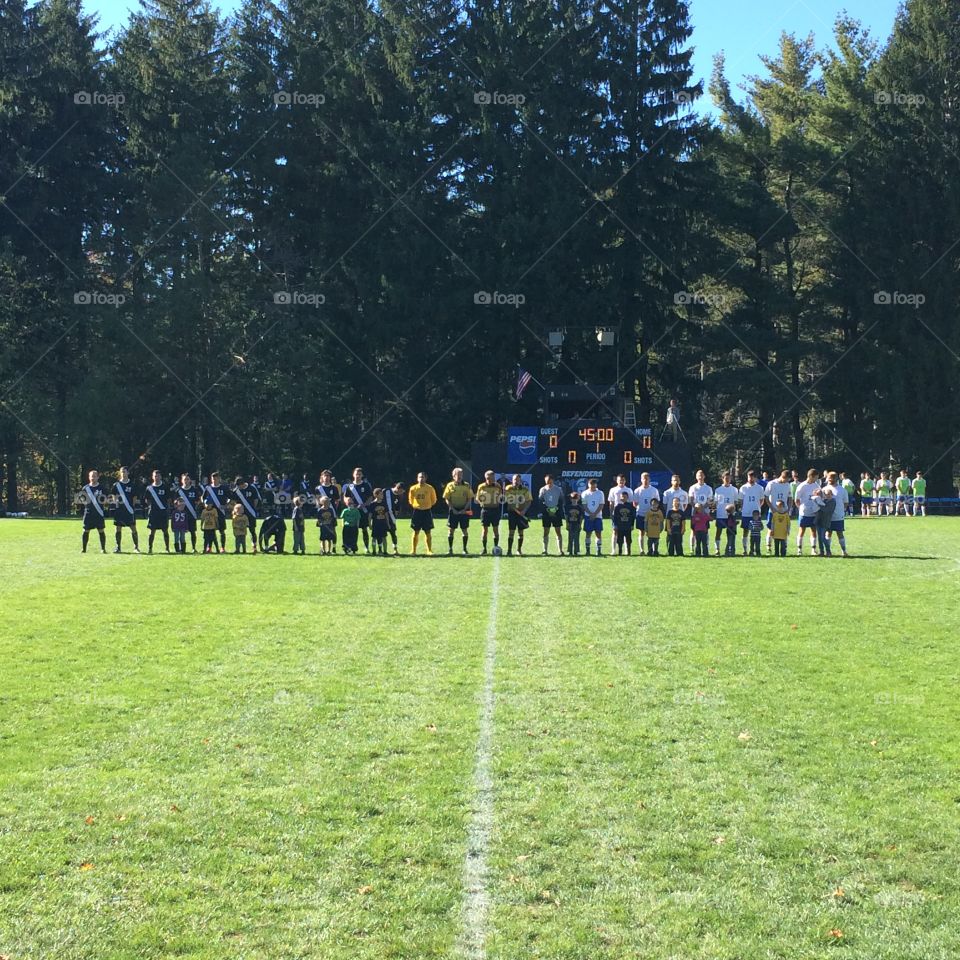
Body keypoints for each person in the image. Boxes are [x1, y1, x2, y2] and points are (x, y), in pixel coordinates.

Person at [343, 467, 375, 553]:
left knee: (364, 529)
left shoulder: (366, 485)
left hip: (363, 511)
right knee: (353, 530)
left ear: (362, 475)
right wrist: (348, 503)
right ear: (353, 475)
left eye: (359, 474)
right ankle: (353, 547)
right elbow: (345, 497)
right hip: (353, 511)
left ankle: (366, 547)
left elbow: (370, 497)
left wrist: (364, 504)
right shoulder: (350, 486)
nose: (358, 476)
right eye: (356, 474)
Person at [443, 467, 474, 555]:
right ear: (453, 476)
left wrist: (464, 509)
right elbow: (447, 499)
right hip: (453, 511)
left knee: (464, 530)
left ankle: (464, 549)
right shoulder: (450, 485)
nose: (460, 477)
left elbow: (469, 499)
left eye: (461, 475)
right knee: (451, 530)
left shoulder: (467, 485)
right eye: (458, 475)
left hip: (464, 511)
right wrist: (453, 509)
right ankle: (450, 549)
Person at [820, 472, 850, 557]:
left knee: (839, 533)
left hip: (838, 516)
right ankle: (828, 551)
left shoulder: (842, 490)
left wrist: (841, 511)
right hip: (828, 517)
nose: (828, 480)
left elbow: (845, 503)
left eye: (830, 479)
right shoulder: (824, 489)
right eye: (828, 479)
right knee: (828, 533)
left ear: (835, 479)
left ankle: (844, 551)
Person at [408, 471, 438, 555]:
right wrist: (416, 506)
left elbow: (434, 500)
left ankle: (429, 550)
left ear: (426, 478)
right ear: (417, 478)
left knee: (428, 531)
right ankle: (413, 550)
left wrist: (426, 506)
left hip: (427, 511)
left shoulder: (430, 488)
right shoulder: (413, 488)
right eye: (419, 477)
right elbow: (410, 500)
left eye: (423, 477)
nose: (421, 479)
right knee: (415, 531)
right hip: (417, 512)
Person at [111, 466, 140, 553]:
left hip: (129, 510)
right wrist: (117, 504)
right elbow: (114, 496)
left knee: (133, 528)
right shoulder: (116, 485)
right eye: (122, 472)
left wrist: (131, 506)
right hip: (119, 511)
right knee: (118, 528)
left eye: (125, 471)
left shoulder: (132, 485)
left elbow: (135, 497)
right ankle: (118, 547)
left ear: (128, 473)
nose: (123, 473)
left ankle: (136, 547)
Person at [738, 470, 766, 556]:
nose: (750, 478)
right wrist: (744, 508)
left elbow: (762, 500)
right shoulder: (743, 488)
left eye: (752, 477)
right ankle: (745, 549)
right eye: (749, 476)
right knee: (745, 531)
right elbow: (740, 500)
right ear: (747, 477)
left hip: (756, 514)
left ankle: (756, 550)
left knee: (756, 533)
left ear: (755, 477)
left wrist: (757, 508)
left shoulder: (760, 488)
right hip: (746, 513)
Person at [764, 469, 793, 554]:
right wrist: (772, 508)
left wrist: (788, 509)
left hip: (784, 511)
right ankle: (768, 547)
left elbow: (790, 497)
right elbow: (766, 497)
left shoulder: (787, 485)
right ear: (783, 477)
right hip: (773, 511)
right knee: (771, 529)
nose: (787, 482)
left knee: (783, 529)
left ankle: (784, 547)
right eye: (787, 479)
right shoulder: (771, 484)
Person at [795, 468, 823, 555]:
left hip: (814, 512)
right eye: (815, 477)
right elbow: (796, 499)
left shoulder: (816, 485)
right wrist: (800, 508)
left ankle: (813, 550)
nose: (816, 479)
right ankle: (799, 550)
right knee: (802, 530)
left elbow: (820, 497)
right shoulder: (802, 486)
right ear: (810, 476)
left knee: (814, 530)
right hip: (804, 512)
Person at [79, 469, 108, 553]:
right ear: (89, 477)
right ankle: (84, 549)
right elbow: (81, 499)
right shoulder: (85, 488)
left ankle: (103, 549)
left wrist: (103, 502)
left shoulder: (102, 488)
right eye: (91, 476)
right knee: (86, 530)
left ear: (98, 477)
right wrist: (87, 504)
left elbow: (106, 499)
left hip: (99, 513)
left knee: (101, 530)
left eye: (94, 476)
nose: (92, 478)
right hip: (88, 513)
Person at [503, 474, 532, 556]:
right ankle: (509, 551)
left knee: (521, 532)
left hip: (522, 513)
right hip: (512, 513)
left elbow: (529, 501)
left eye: (518, 480)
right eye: (515, 480)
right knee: (511, 532)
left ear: (520, 481)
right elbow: (508, 501)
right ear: (512, 480)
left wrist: (524, 511)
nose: (516, 481)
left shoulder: (525, 489)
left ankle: (519, 550)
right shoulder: (508, 488)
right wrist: (516, 511)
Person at [144, 469, 171, 554]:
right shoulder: (149, 488)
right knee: (152, 531)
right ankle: (150, 548)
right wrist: (151, 507)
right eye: (155, 476)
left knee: (165, 530)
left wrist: (166, 508)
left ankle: (167, 548)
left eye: (158, 476)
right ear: (152, 477)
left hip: (163, 513)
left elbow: (169, 499)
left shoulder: (165, 487)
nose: (157, 477)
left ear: (161, 477)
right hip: (153, 513)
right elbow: (147, 499)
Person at [475, 470, 502, 555]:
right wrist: (481, 503)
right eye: (489, 478)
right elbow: (477, 498)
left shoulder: (498, 486)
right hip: (485, 510)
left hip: (495, 510)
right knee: (485, 530)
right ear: (486, 478)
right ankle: (484, 549)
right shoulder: (481, 486)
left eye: (493, 477)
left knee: (495, 529)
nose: (491, 479)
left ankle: (496, 547)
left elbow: (500, 497)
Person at [201, 471, 230, 553]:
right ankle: (209, 547)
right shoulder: (208, 488)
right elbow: (202, 498)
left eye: (216, 478)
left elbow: (230, 498)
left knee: (222, 530)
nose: (214, 480)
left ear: (219, 479)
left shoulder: (224, 488)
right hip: (210, 513)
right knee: (211, 531)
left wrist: (226, 505)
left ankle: (222, 547)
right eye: (213, 479)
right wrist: (205, 505)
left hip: (220, 512)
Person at [231, 477, 260, 554]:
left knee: (252, 530)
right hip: (240, 514)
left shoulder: (252, 488)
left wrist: (253, 508)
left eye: (239, 485)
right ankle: (239, 548)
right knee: (239, 531)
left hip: (250, 513)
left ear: (242, 484)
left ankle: (254, 546)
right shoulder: (236, 491)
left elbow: (256, 500)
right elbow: (234, 502)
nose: (238, 487)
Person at [712, 471, 739, 556]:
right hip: (720, 515)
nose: (727, 480)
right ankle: (717, 549)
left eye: (729, 478)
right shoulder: (718, 490)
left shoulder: (734, 490)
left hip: (730, 516)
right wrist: (712, 509)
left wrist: (733, 512)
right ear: (722, 479)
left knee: (730, 533)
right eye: (726, 478)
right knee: (718, 532)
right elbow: (715, 503)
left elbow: (735, 502)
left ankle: (729, 549)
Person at [632, 472, 659, 554]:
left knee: (651, 533)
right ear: (641, 479)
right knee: (641, 532)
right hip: (640, 514)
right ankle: (642, 550)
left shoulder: (654, 490)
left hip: (651, 515)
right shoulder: (637, 491)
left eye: (647, 478)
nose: (645, 480)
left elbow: (657, 502)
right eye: (644, 478)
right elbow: (634, 503)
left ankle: (652, 550)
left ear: (649, 479)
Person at [687, 469, 713, 552]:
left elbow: (710, 501)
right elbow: (690, 500)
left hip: (705, 514)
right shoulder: (692, 487)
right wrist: (697, 509)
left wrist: (702, 508)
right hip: (695, 514)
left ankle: (706, 547)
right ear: (696, 477)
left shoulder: (708, 488)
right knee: (693, 531)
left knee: (706, 531)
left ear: (704, 476)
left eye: (702, 475)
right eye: (699, 475)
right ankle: (692, 548)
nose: (700, 477)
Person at [607, 474, 633, 553]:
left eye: (623, 480)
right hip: (616, 515)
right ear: (617, 481)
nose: (621, 481)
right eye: (619, 480)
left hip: (626, 515)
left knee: (626, 531)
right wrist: (611, 514)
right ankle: (614, 550)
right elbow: (611, 502)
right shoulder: (613, 490)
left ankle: (626, 550)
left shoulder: (629, 490)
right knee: (615, 531)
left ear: (625, 481)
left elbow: (631, 503)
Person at [539, 474, 565, 555]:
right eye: (546, 482)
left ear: (552, 480)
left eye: (549, 482)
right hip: (546, 513)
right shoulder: (542, 489)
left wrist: (555, 510)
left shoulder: (558, 489)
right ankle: (545, 550)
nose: (548, 483)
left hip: (556, 513)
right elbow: (540, 501)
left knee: (558, 532)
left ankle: (560, 550)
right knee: (546, 532)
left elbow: (561, 501)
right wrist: (547, 510)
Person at [176, 473, 202, 553]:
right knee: (181, 533)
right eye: (184, 479)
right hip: (182, 515)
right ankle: (182, 549)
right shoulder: (179, 491)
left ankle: (194, 548)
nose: (186, 481)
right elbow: (175, 502)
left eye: (187, 479)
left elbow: (198, 501)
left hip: (191, 514)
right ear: (182, 480)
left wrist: (197, 506)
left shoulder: (194, 490)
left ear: (190, 480)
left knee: (192, 532)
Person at [581, 477, 606, 556]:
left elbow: (601, 504)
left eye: (594, 484)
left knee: (598, 533)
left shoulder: (600, 493)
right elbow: (584, 505)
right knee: (588, 533)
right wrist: (590, 513)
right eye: (591, 484)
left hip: (598, 516)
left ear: (596, 484)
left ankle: (598, 551)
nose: (592, 486)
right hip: (588, 516)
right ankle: (587, 551)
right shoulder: (584, 493)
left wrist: (595, 514)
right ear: (588, 484)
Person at [384, 481, 405, 554]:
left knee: (393, 533)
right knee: (381, 534)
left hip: (391, 518)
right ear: (398, 488)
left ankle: (395, 549)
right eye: (401, 491)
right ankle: (382, 550)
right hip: (382, 517)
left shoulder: (399, 496)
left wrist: (396, 512)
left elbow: (397, 508)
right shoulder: (386, 491)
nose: (402, 493)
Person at [612, 491, 636, 555]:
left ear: (627, 497)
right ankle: (620, 551)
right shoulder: (617, 507)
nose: (623, 498)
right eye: (622, 497)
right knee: (620, 539)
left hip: (627, 525)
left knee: (628, 539)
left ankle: (629, 551)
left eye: (625, 497)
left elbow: (632, 516)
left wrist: (632, 525)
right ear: (620, 498)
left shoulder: (630, 507)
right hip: (620, 525)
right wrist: (615, 525)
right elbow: (615, 517)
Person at [370, 489, 391, 555]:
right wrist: (369, 524)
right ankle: (374, 551)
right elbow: (370, 515)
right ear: (376, 495)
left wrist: (388, 524)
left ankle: (385, 551)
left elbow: (386, 514)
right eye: (381, 494)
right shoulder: (372, 504)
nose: (382, 495)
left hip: (383, 523)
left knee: (384, 537)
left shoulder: (384, 503)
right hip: (375, 523)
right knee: (374, 537)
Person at [564, 490, 583, 556]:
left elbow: (581, 517)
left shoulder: (580, 507)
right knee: (570, 538)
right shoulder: (568, 507)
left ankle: (576, 551)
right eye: (572, 498)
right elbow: (566, 516)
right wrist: (567, 524)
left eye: (575, 498)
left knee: (577, 538)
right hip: (570, 523)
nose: (574, 500)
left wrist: (580, 524)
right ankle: (570, 551)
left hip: (577, 524)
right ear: (570, 499)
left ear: (578, 499)